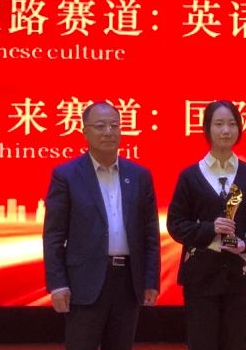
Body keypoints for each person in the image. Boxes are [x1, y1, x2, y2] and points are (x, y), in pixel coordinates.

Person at [42, 101, 161, 350]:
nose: (108, 132)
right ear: (85, 132)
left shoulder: (139, 175)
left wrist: (150, 280)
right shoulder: (67, 175)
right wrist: (58, 284)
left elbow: (150, 233)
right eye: (100, 126)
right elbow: (53, 236)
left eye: (114, 126)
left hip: (128, 281)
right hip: (84, 281)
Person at [166, 100, 246, 350]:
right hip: (200, 277)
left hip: (240, 276)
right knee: (201, 343)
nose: (226, 130)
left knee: (237, 343)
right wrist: (210, 228)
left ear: (240, 128)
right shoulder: (190, 176)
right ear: (207, 129)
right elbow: (175, 224)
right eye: (218, 124)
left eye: (231, 124)